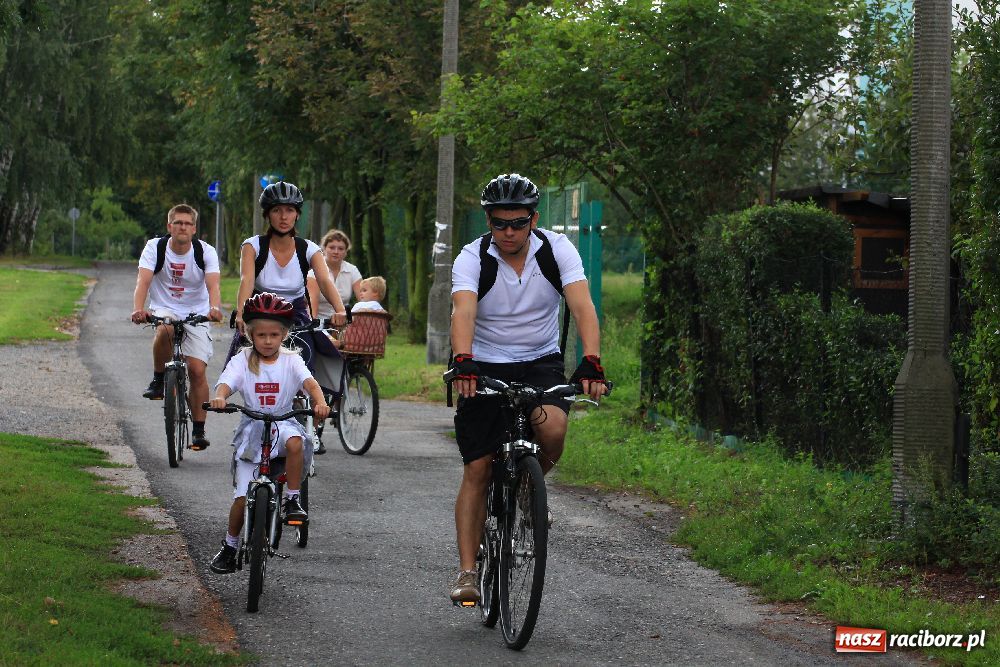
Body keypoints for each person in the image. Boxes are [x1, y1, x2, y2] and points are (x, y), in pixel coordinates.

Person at [447, 173, 608, 604]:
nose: (509, 232)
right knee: (478, 467)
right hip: (479, 361)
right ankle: (466, 571)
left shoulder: (556, 250)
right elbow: (462, 312)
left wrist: (590, 360)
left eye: (518, 222)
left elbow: (582, 304)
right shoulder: (472, 257)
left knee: (553, 430)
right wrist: (463, 361)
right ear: (489, 220)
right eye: (499, 223)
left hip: (539, 362)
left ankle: (526, 488)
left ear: (533, 218)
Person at [208, 292, 331, 574]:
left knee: (297, 441)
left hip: (283, 421)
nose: (267, 341)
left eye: (274, 335)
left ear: (284, 334)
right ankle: (229, 546)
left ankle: (292, 499)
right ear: (250, 334)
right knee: (241, 498)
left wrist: (320, 402)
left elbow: (309, 383)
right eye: (261, 335)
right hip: (253, 429)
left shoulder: (291, 360)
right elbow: (226, 383)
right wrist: (220, 397)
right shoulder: (243, 360)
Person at [225, 181, 348, 370]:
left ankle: (306, 399)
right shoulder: (252, 246)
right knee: (238, 365)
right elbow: (247, 280)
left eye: (290, 210)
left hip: (295, 313)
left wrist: (340, 311)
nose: (283, 217)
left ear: (297, 214)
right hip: (259, 311)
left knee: (306, 361)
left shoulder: (308, 248)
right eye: (276, 210)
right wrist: (241, 313)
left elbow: (324, 280)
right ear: (267, 215)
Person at [131, 203, 224, 451]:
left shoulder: (205, 252)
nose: (182, 227)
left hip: (197, 312)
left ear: (194, 228)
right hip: (165, 307)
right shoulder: (155, 247)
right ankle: (158, 379)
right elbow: (143, 280)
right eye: (178, 222)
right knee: (165, 329)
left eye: (187, 223)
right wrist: (139, 309)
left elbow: (213, 285)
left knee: (196, 370)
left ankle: (198, 431)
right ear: (169, 226)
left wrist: (214, 309)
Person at [306, 229, 362, 318]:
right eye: (332, 247)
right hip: (321, 324)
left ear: (346, 252)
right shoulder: (313, 273)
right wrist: (313, 329)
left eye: (341, 248)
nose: (336, 252)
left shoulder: (352, 270)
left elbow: (363, 299)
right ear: (323, 249)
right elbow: (312, 307)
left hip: (344, 322)